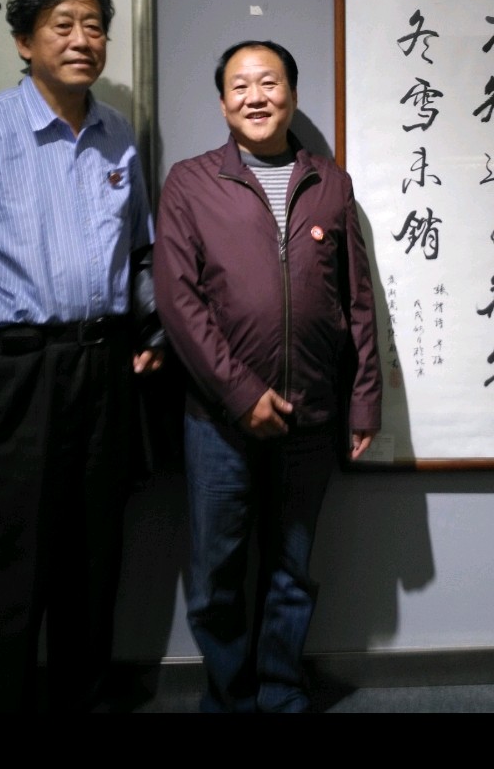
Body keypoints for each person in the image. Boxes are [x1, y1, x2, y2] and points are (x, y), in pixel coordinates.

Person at [0, 0, 164, 713]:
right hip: (13, 373)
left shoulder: (118, 137)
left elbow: (139, 255)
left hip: (104, 369)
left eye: (95, 27)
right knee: (6, 563)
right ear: (24, 42)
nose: (83, 40)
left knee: (94, 559)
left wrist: (155, 329)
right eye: (64, 25)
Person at [153, 39, 382, 714]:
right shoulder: (190, 183)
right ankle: (229, 697)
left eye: (270, 82)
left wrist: (364, 401)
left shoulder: (330, 183)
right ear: (223, 102)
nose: (256, 96)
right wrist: (240, 393)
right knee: (216, 575)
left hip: (311, 415)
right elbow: (177, 300)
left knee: (291, 568)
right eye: (240, 85)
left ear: (293, 94)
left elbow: (358, 302)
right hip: (218, 421)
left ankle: (280, 691)